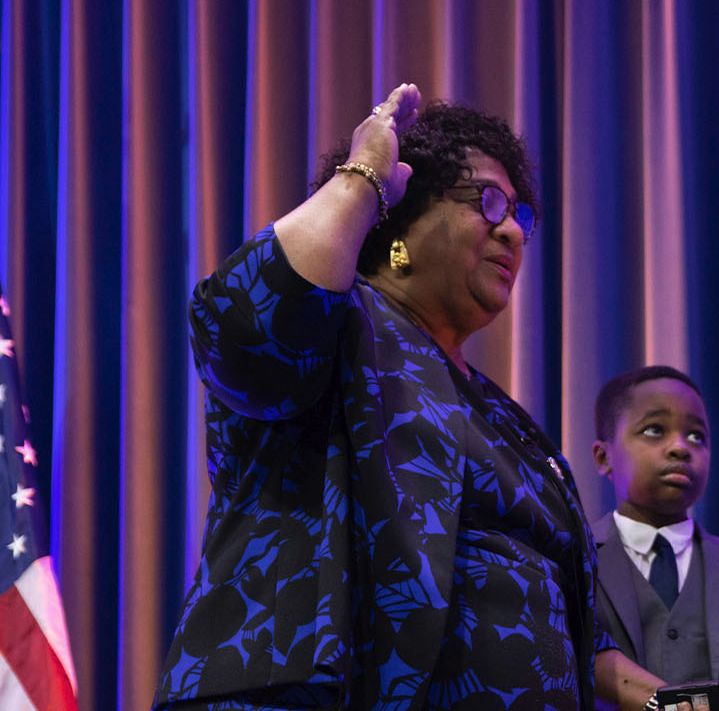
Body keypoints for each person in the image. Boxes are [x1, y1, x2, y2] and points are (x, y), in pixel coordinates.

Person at [154, 84, 664, 710]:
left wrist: (690, 703)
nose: (512, 233)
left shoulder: (509, 420)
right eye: (489, 202)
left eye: (521, 216)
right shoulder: (339, 328)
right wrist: (362, 178)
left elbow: (580, 632)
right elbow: (243, 326)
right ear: (399, 221)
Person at [590, 366, 719, 711]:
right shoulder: (573, 562)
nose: (680, 448)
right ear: (603, 457)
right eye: (655, 430)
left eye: (696, 436)